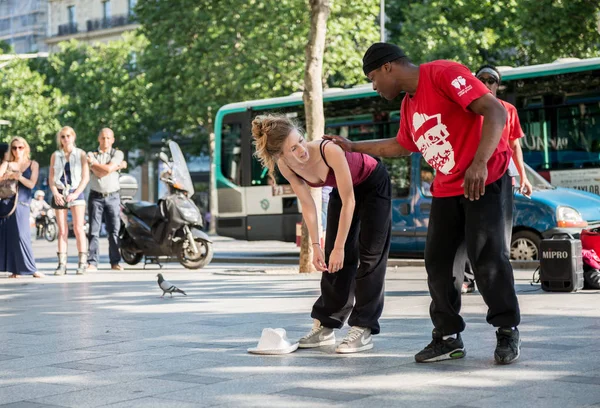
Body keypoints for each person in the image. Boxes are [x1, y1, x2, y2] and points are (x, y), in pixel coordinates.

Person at [325, 43, 521, 364]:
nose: (374, 87)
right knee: (438, 264)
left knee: (487, 258)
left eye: (374, 78)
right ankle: (446, 337)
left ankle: (506, 328)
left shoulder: (443, 73)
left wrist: (479, 162)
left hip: (485, 177)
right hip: (447, 188)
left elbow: (495, 109)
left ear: (388, 67)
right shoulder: (408, 106)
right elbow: (401, 145)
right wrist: (352, 146)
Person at [252, 114, 391, 354]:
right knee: (333, 261)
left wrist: (339, 247)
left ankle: (363, 327)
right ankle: (325, 325)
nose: (301, 150)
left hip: (372, 184)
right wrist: (317, 245)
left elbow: (350, 201)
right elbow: (308, 204)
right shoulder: (285, 165)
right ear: (280, 155)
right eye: (293, 149)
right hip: (341, 189)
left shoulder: (329, 150)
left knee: (370, 257)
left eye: (301, 141)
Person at [462, 65, 533, 294]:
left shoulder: (508, 109)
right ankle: (467, 278)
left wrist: (524, 177)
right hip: (473, 176)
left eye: (491, 80)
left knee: (501, 235)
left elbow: (514, 145)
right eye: (480, 79)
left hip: (501, 177)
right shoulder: (468, 108)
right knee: (469, 229)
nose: (486, 83)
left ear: (497, 84)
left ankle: (501, 281)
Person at [0, 137, 43, 278]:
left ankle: (31, 268)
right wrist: (6, 163)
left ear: (26, 148)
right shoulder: (7, 163)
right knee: (9, 236)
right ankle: (15, 270)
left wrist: (18, 176)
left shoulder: (32, 164)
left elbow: (31, 184)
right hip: (7, 203)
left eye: (20, 147)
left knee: (22, 235)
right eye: (14, 148)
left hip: (23, 204)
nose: (17, 150)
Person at [49, 126, 90, 275]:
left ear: (73, 136)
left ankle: (82, 262)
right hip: (60, 192)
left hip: (76, 192)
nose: (66, 139)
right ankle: (62, 264)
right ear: (59, 139)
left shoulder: (81, 154)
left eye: (68, 136)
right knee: (62, 230)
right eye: (62, 136)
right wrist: (55, 193)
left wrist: (76, 193)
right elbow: (51, 178)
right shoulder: (55, 155)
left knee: (79, 228)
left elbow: (85, 178)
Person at [86, 128, 127, 271]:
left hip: (113, 196)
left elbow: (106, 171)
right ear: (98, 139)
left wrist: (95, 165)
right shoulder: (91, 154)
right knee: (93, 231)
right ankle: (92, 262)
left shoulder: (118, 153)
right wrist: (113, 168)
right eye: (103, 138)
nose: (106, 141)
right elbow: (104, 171)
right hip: (95, 195)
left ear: (113, 139)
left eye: (108, 138)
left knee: (114, 230)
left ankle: (115, 262)